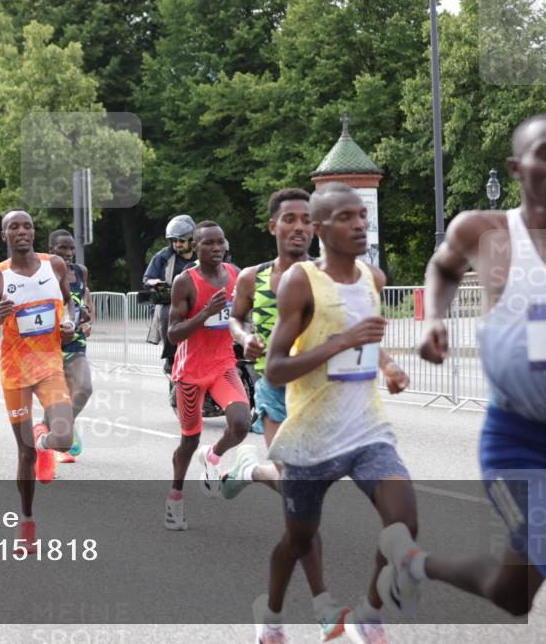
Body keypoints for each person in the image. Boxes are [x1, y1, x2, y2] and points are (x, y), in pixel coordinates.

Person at [378, 114, 546, 619]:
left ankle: (412, 563)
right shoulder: (484, 230)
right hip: (517, 439)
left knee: (511, 593)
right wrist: (434, 317)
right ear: (518, 167)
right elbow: (443, 266)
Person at [255, 183, 413, 644]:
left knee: (404, 517)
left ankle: (369, 613)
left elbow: (367, 338)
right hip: (311, 435)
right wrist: (339, 344)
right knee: (299, 540)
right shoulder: (301, 282)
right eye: (346, 217)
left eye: (362, 215)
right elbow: (276, 369)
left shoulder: (374, 278)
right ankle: (271, 614)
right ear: (322, 228)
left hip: (367, 428)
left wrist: (389, 365)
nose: (360, 224)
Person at [221, 188, 351, 640]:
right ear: (273, 226)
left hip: (322, 397)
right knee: (301, 500)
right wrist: (244, 338)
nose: (299, 227)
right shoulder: (251, 278)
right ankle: (323, 607)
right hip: (277, 393)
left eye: (307, 220)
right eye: (289, 219)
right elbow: (235, 318)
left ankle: (248, 468)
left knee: (301, 508)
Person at [0, 209, 76, 553]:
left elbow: (69, 301)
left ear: (34, 232)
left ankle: (44, 441)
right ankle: (27, 522)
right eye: (13, 227)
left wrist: (70, 322)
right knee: (24, 453)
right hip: (15, 372)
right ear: (4, 235)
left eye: (27, 226)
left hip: (49, 366)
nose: (22, 231)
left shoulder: (54, 265)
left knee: (62, 438)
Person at [163, 221, 251, 531]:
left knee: (242, 423)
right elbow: (173, 334)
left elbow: (241, 316)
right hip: (190, 373)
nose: (216, 248)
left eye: (220, 242)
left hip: (224, 365)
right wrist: (204, 313)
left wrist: (248, 334)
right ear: (195, 248)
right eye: (208, 243)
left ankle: (213, 457)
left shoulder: (235, 275)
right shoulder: (185, 282)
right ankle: (175, 497)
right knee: (189, 440)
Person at [47, 229, 94, 464]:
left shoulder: (80, 271)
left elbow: (85, 298)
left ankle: (63, 428)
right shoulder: (44, 272)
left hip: (75, 341)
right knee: (57, 397)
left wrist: (88, 320)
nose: (68, 253)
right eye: (62, 248)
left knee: (84, 388)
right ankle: (50, 443)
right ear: (51, 250)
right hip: (49, 344)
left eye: (71, 248)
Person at [143, 215, 198, 384]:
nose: (177, 244)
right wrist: (155, 283)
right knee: (168, 315)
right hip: (170, 302)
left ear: (191, 240)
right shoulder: (163, 257)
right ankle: (171, 359)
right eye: (173, 241)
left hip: (199, 299)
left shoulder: (201, 254)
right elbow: (147, 278)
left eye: (181, 240)